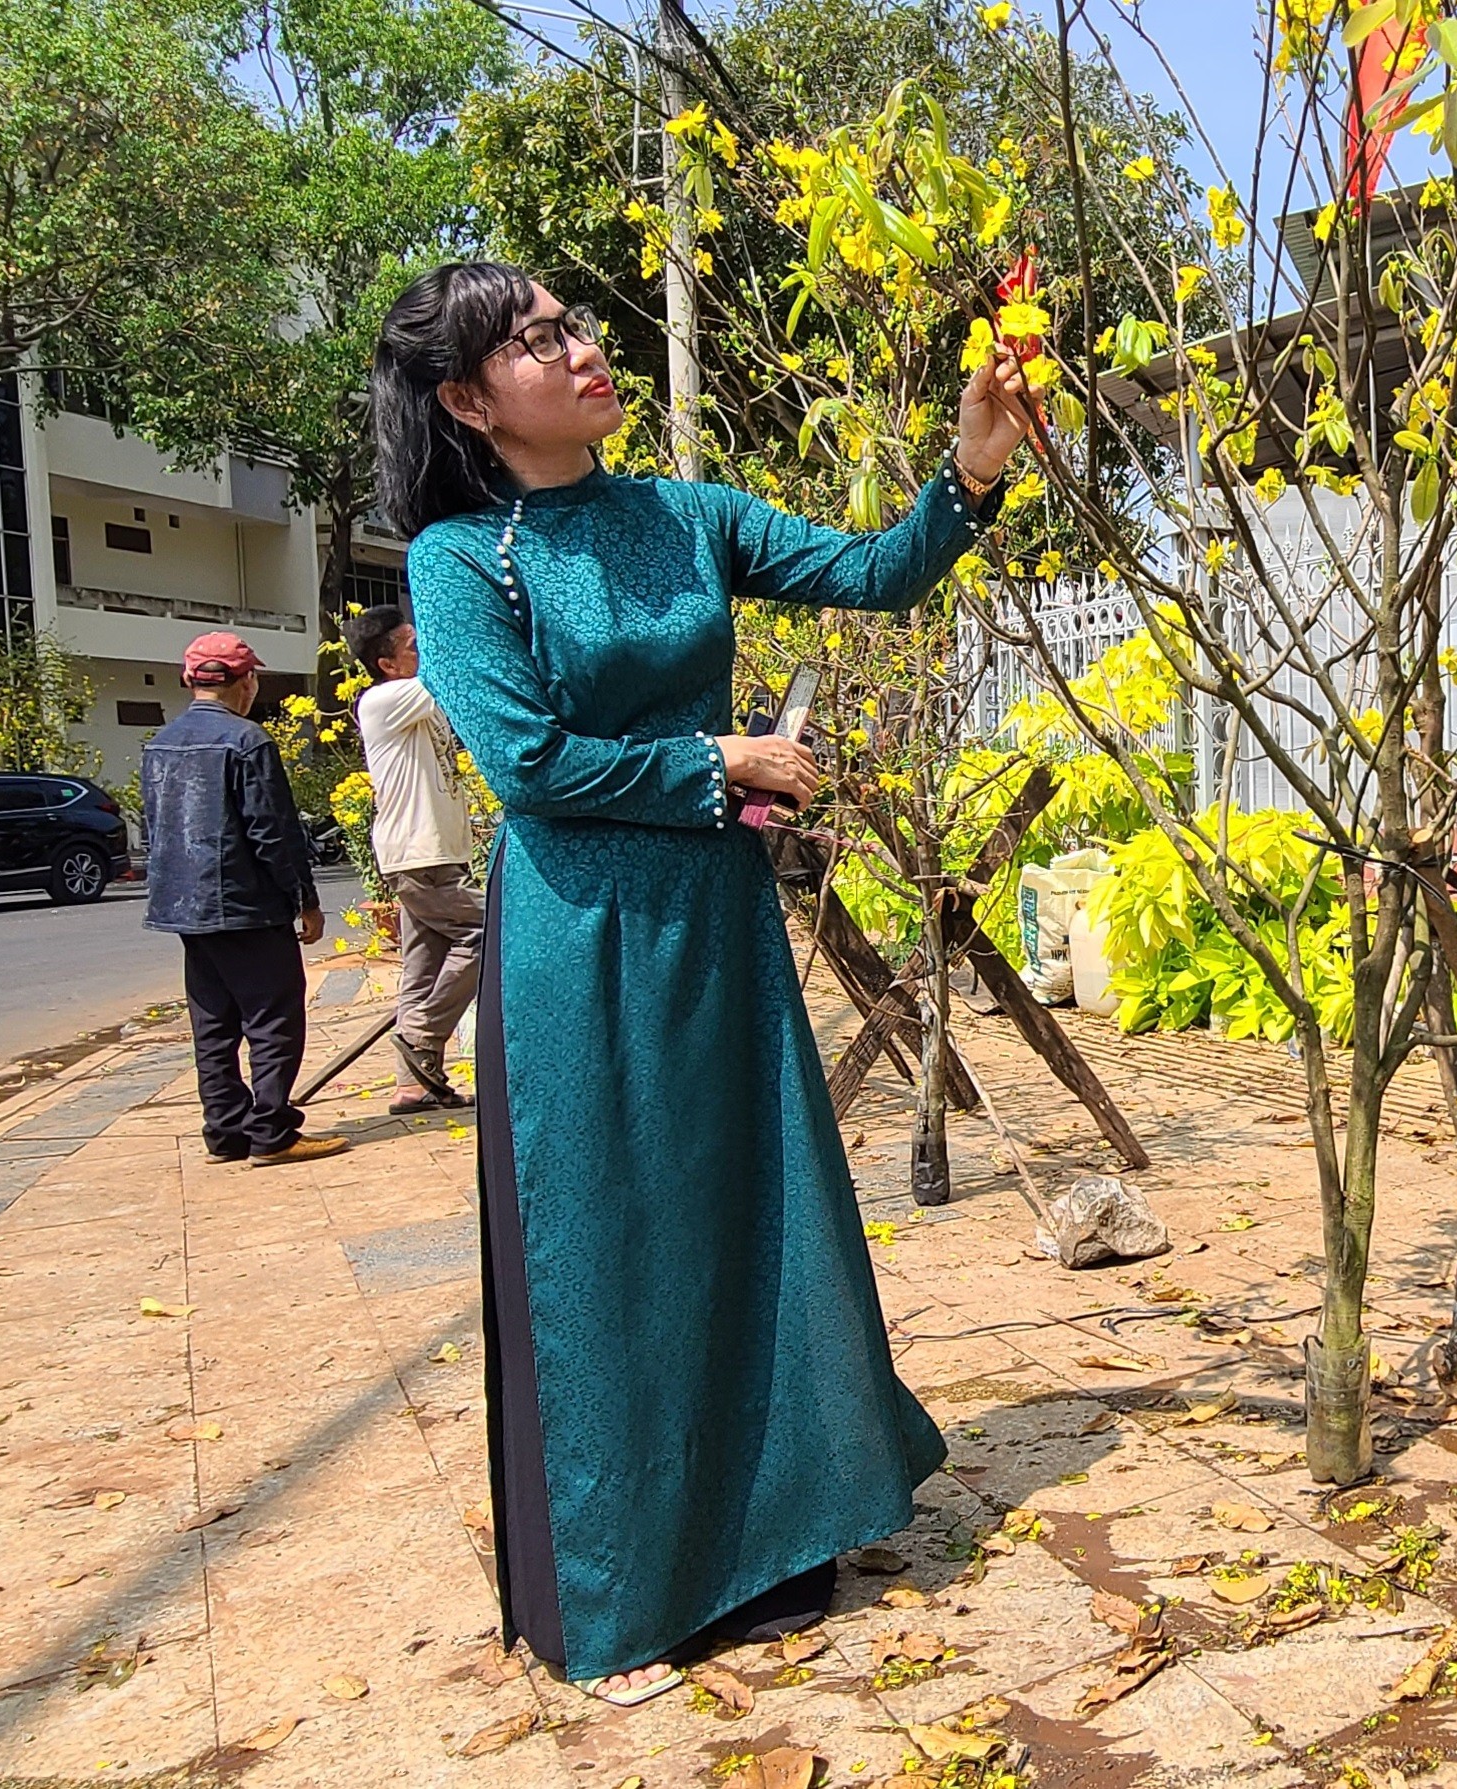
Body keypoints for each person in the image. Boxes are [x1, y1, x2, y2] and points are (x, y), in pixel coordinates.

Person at [370, 263, 1029, 1702]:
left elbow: (874, 572)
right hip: (583, 939)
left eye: (572, 323)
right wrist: (716, 761)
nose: (580, 346)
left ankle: (783, 1534)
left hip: (716, 922)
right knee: (613, 1241)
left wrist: (968, 475)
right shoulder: (457, 558)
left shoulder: (685, 510)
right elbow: (531, 767)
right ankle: (635, 1580)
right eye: (534, 341)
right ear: (469, 401)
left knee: (751, 1204)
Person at [139, 632, 348, 1169]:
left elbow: (157, 829)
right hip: (245, 903)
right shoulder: (247, 741)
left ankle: (225, 1131)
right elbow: (272, 831)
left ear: (189, 680)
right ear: (246, 682)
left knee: (213, 1023)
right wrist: (304, 898)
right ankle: (272, 1130)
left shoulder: (160, 744)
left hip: (184, 907)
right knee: (273, 1018)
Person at [346, 604, 482, 1115]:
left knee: (420, 971)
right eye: (412, 646)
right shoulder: (384, 700)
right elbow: (454, 667)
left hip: (436, 855)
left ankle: (414, 1085)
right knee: (485, 932)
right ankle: (422, 1034)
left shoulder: (416, 701)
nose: (423, 653)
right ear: (386, 663)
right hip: (420, 855)